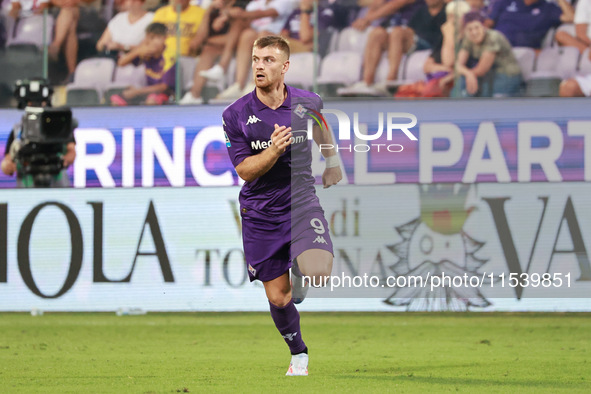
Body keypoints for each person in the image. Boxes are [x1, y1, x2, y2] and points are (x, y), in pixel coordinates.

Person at [222, 35, 342, 375]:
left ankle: (302, 270)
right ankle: (299, 352)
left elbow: (321, 126)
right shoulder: (236, 114)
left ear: (285, 66)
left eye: (268, 60)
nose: (259, 66)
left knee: (318, 271)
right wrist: (273, 151)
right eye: (256, 59)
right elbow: (244, 170)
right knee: (278, 297)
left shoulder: (308, 101)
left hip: (302, 201)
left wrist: (332, 162)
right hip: (260, 212)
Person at [340, 0, 446, 96]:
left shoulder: (446, 11)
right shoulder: (421, 11)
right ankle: (366, 82)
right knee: (377, 33)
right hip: (408, 40)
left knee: (397, 32)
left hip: (429, 43)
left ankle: (390, 81)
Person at [208, 0, 297, 100]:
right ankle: (239, 85)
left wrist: (232, 14)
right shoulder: (255, 3)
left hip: (278, 37)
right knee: (246, 34)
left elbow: (266, 13)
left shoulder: (286, 1)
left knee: (263, 36)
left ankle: (255, 83)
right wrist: (228, 15)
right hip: (256, 36)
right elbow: (244, 19)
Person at [1, 78, 76, 187]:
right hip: (27, 184)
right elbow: (7, 162)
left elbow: (72, 152)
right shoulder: (18, 129)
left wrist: (63, 161)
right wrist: (7, 166)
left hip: (57, 184)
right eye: (31, 103)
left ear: (47, 101)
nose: (36, 105)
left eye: (40, 102)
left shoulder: (58, 124)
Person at [178, 0, 249, 104]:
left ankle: (221, 68)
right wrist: (208, 12)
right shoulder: (215, 9)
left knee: (211, 46)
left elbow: (235, 36)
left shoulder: (241, 5)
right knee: (208, 49)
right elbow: (201, 38)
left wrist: (226, 15)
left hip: (238, 45)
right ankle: (194, 94)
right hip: (216, 46)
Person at [456, 11, 522, 97]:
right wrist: (468, 74)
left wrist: (469, 74)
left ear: (484, 26)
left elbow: (482, 69)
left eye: (477, 27)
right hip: (489, 75)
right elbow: (458, 64)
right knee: (462, 81)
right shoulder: (468, 38)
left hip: (506, 75)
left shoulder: (492, 37)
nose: (474, 32)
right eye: (470, 29)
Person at [110, 22, 176, 105]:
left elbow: (163, 87)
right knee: (116, 101)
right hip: (146, 91)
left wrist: (137, 91)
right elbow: (121, 63)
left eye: (157, 38)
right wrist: (137, 51)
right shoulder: (145, 53)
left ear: (165, 39)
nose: (152, 42)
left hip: (168, 95)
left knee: (151, 101)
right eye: (149, 38)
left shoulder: (170, 57)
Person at [485, 0, 574, 49]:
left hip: (522, 51)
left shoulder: (548, 8)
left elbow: (571, 18)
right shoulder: (505, 2)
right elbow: (488, 24)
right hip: (494, 45)